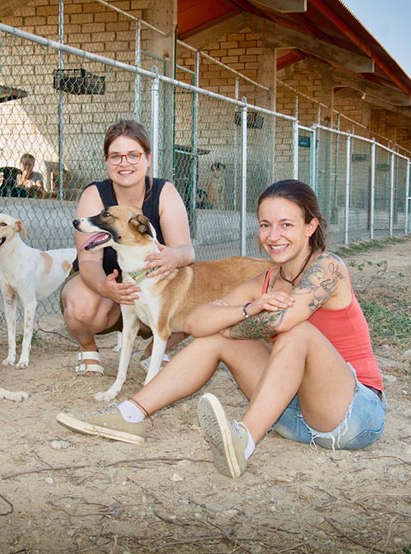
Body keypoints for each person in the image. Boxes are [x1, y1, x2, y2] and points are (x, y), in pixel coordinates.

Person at [57, 179, 386, 478]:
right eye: (265, 225)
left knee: (295, 333)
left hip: (352, 414)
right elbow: (197, 323)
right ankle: (129, 414)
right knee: (215, 333)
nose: (274, 235)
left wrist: (234, 322)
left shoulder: (329, 267)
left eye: (287, 225)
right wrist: (246, 309)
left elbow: (282, 321)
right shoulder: (265, 281)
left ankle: (243, 440)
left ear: (310, 226)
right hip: (291, 415)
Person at [60, 119, 196, 376]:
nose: (125, 163)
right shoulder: (95, 194)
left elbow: (186, 251)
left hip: (152, 284)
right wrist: (106, 287)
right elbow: (88, 261)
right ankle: (88, 349)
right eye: (116, 156)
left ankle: (155, 350)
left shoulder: (164, 191)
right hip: (108, 286)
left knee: (195, 297)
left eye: (133, 155)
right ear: (107, 161)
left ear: (147, 158)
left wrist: (172, 258)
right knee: (82, 304)